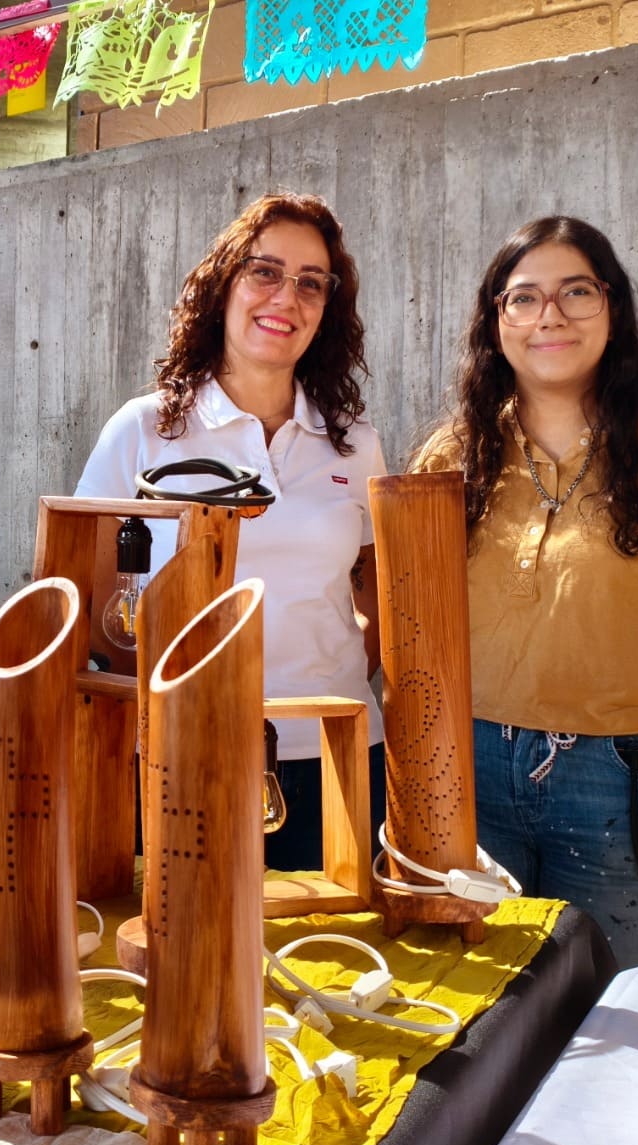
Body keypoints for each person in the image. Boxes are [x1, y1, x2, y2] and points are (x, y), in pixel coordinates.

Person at [413, 215, 638, 968]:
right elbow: (413, 618)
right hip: (472, 774)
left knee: (620, 1005)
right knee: (480, 997)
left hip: (624, 783)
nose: (551, 316)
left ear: (613, 307)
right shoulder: (454, 455)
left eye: (576, 292)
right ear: (495, 321)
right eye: (524, 298)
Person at [75, 192, 387, 872]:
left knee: (330, 965)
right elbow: (92, 599)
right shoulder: (145, 429)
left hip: (332, 756)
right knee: (185, 962)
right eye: (264, 271)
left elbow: (377, 591)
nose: (288, 297)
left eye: (312, 282)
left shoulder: (355, 443)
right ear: (222, 286)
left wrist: (325, 681)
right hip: (177, 755)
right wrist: (175, 698)